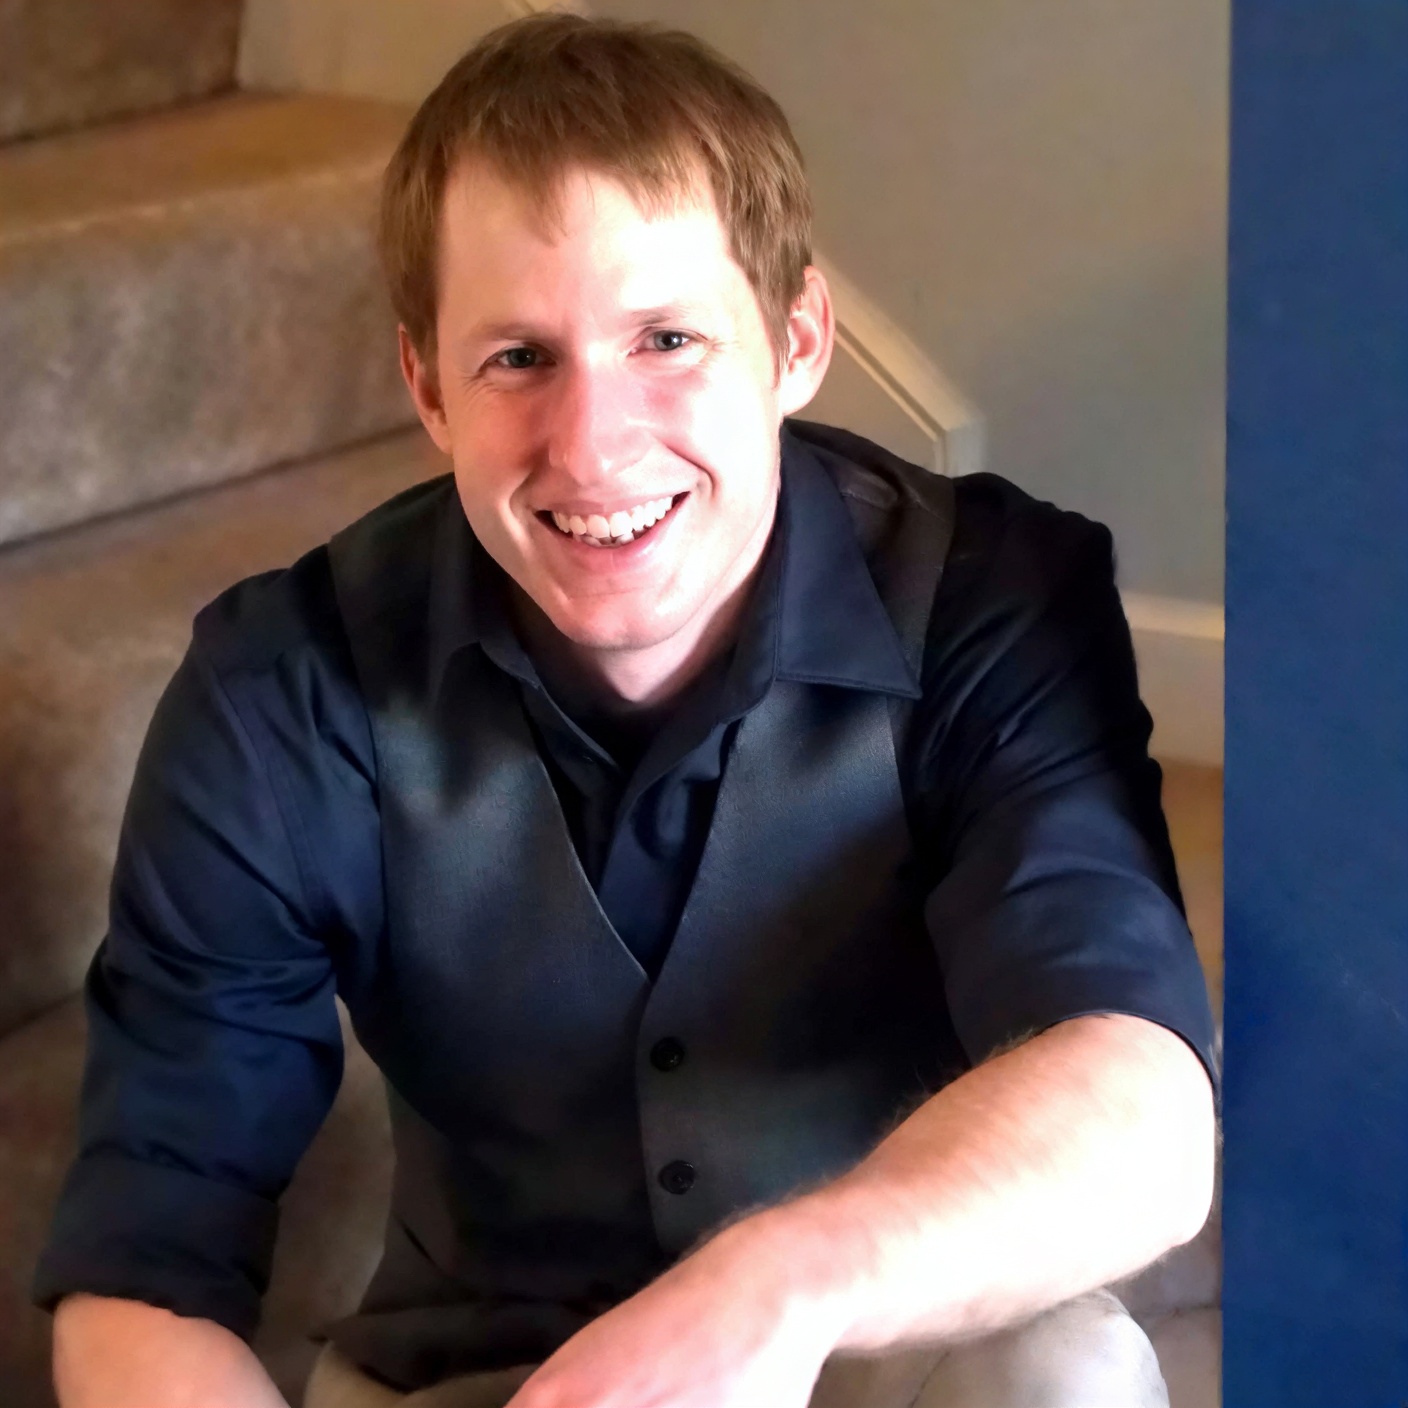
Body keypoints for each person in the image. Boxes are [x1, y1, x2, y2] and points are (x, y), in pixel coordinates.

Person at [35, 14, 1217, 1408]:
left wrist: (776, 1288)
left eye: (667, 338)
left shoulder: (993, 600)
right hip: (479, 1367)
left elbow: (1139, 1107)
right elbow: (147, 1257)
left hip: (876, 1339)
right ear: (428, 387)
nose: (593, 446)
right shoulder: (277, 690)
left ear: (797, 341)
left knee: (1072, 1371)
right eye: (518, 359)